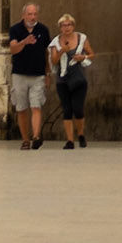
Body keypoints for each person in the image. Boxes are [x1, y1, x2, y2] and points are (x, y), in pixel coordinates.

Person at [8, 1, 51, 150]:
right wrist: (24, 42)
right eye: (30, 14)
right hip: (19, 74)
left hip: (38, 74)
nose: (32, 17)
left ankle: (36, 136)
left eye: (35, 14)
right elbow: (13, 49)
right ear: (23, 15)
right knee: (21, 108)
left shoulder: (43, 30)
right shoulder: (15, 29)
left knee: (36, 105)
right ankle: (25, 139)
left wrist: (48, 73)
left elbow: (47, 52)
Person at [48, 13, 93, 149]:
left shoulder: (82, 38)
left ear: (73, 26)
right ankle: (70, 140)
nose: (66, 28)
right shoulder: (55, 42)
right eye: (63, 25)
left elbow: (91, 54)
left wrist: (82, 57)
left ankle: (80, 134)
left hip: (78, 78)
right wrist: (62, 51)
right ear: (60, 28)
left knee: (78, 109)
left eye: (69, 25)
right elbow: (54, 61)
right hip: (63, 79)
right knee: (67, 110)